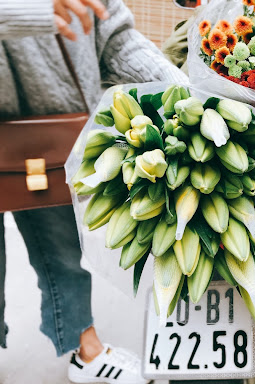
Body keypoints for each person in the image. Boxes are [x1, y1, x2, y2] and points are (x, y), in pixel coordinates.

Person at [0, 0, 187, 383]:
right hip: (36, 128)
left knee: (64, 247)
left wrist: (184, 91)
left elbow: (113, 37)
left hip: (48, 134)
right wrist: (26, 11)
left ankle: (85, 350)